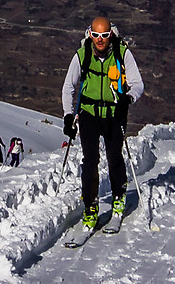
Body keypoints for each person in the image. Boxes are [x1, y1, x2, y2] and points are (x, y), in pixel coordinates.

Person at [61, 15, 143, 230]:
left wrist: (128, 98)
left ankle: (118, 200)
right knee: (90, 161)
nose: (99, 39)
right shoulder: (82, 55)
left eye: (104, 35)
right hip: (88, 113)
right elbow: (68, 86)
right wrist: (68, 116)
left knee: (114, 158)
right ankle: (90, 208)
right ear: (90, 34)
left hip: (115, 113)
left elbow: (137, 84)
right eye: (96, 35)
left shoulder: (122, 53)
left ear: (110, 34)